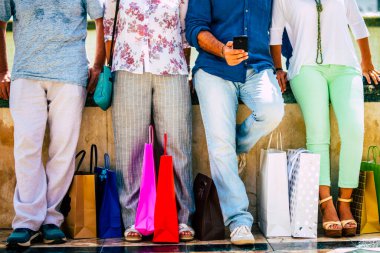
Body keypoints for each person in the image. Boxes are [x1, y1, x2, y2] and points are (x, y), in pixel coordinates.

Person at [270, 0, 380, 238]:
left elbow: (358, 25)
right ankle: (326, 203)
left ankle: (345, 203)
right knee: (319, 132)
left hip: (346, 68)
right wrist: (278, 68)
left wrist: (367, 62)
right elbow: (275, 33)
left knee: (353, 130)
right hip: (305, 69)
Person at [0, 0, 105, 247]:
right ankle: (26, 221)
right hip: (25, 73)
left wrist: (99, 65)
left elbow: (101, 20)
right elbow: (1, 21)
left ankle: (51, 219)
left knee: (63, 149)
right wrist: (2, 69)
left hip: (70, 74)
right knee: (26, 147)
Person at [186, 0, 285, 245]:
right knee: (220, 146)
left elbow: (282, 25)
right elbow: (194, 28)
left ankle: (236, 146)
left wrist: (281, 66)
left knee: (272, 110)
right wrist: (223, 51)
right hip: (214, 69)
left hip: (258, 68)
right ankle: (239, 221)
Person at [103, 0, 195, 242]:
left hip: (172, 67)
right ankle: (133, 218)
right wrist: (105, 64)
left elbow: (185, 32)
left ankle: (182, 216)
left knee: (177, 143)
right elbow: (108, 26)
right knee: (130, 146)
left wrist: (186, 69)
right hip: (127, 67)